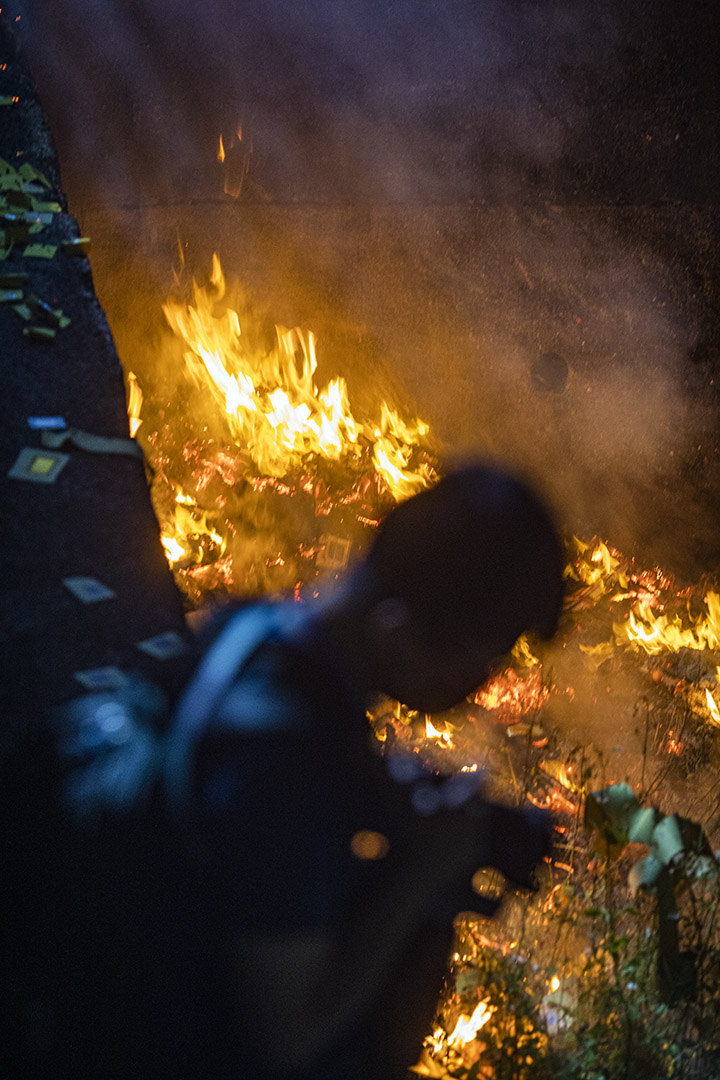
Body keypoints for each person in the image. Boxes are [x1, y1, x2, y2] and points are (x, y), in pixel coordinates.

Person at [23, 462, 564, 1079]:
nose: (481, 686)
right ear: (398, 627)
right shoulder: (280, 771)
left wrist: (401, 794)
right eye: (481, 660)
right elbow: (290, 1039)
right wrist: (422, 873)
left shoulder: (261, 627)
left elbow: (298, 757)